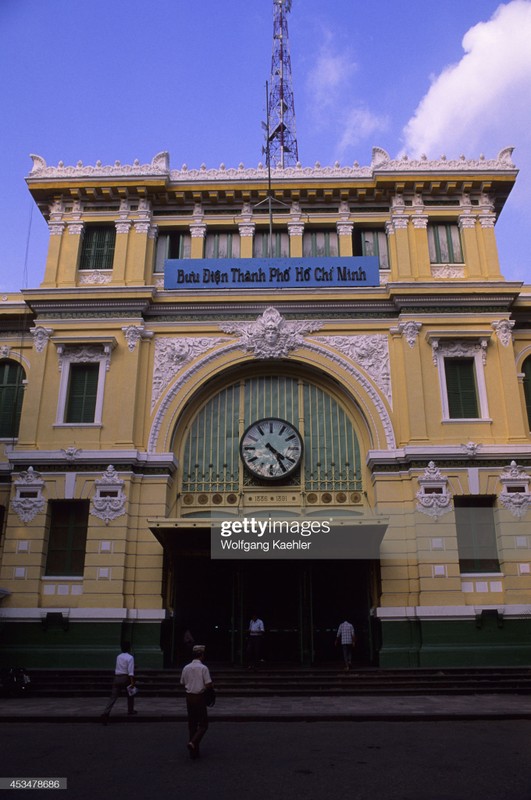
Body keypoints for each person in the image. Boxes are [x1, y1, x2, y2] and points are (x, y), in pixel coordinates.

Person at [180, 645, 213, 759]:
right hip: (199, 697)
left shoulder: (186, 667)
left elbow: (182, 682)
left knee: (192, 724)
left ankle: (194, 753)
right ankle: (193, 742)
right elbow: (208, 684)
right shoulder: (203, 668)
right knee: (203, 724)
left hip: (189, 696)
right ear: (201, 655)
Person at [101, 641, 136, 724]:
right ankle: (130, 710)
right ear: (129, 648)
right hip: (125, 678)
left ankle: (106, 713)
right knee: (131, 693)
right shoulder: (130, 657)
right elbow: (130, 672)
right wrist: (132, 683)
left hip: (117, 678)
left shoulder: (118, 656)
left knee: (113, 697)